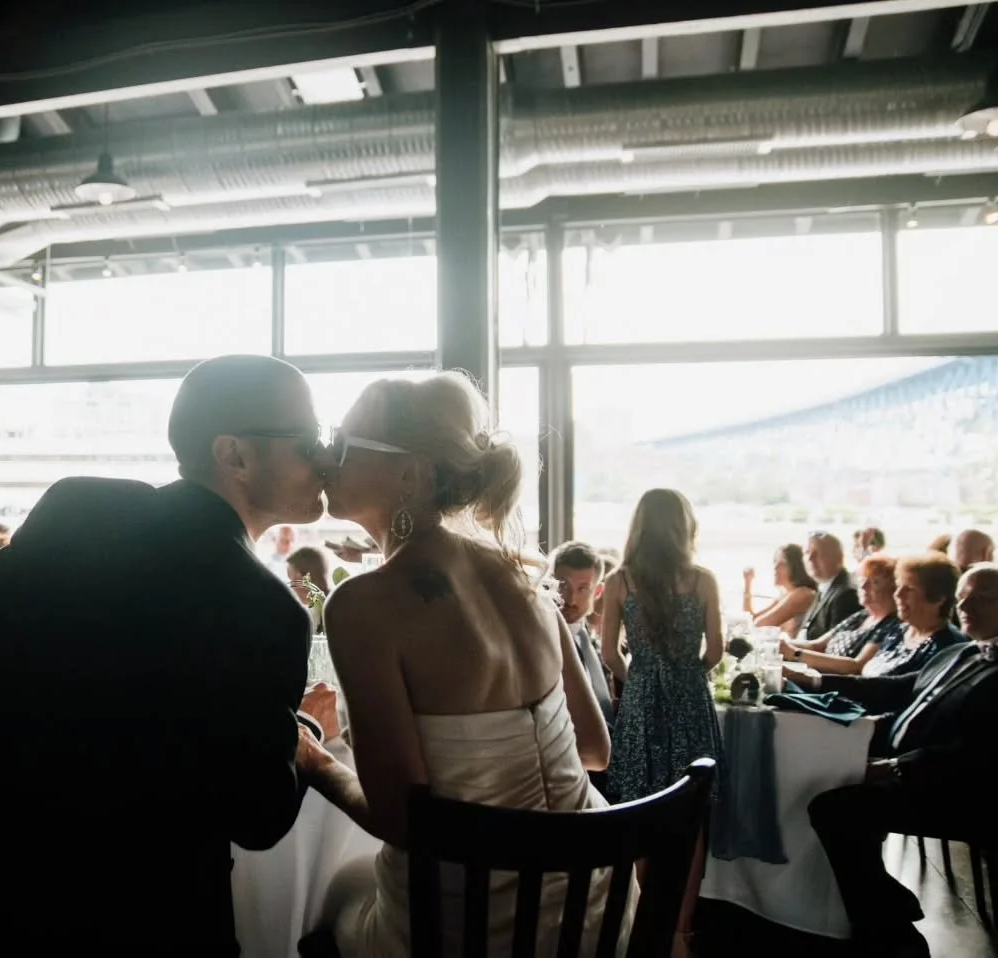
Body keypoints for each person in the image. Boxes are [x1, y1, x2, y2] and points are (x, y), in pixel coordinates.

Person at [0, 354, 329, 955]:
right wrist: (308, 731)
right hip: (157, 919)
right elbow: (258, 816)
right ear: (233, 454)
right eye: (308, 440)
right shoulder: (266, 609)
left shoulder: (78, 507)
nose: (324, 457)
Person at [298, 373, 624, 958]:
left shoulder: (365, 605)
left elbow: (400, 823)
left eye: (344, 446)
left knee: (332, 895)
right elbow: (595, 749)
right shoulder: (522, 577)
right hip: (596, 911)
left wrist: (315, 760)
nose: (325, 457)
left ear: (409, 472)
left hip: (473, 924)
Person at [798, 564, 998, 957]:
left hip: (963, 792)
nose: (964, 606)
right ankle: (838, 903)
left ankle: (889, 928)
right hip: (919, 769)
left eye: (978, 598)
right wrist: (816, 681)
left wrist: (892, 767)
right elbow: (896, 689)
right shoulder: (961, 651)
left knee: (835, 809)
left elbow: (982, 755)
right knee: (812, 773)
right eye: (962, 598)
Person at [601, 488, 723, 957]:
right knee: (691, 817)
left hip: (641, 700)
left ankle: (638, 922)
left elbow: (610, 651)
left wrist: (642, 678)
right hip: (690, 699)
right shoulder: (702, 580)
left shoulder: (620, 581)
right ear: (683, 526)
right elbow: (714, 651)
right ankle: (682, 930)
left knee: (639, 808)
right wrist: (686, 676)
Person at [782, 553, 903, 675]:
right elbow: (816, 645)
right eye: (862, 580)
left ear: (893, 588)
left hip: (835, 685)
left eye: (874, 582)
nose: (863, 586)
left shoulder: (892, 624)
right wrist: (776, 644)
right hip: (817, 675)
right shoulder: (861, 616)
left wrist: (793, 653)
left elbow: (857, 666)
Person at [549, 541, 617, 736]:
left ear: (597, 592)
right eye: (563, 586)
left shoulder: (586, 638)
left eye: (582, 589)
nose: (569, 599)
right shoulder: (543, 640)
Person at [742, 543, 817, 637]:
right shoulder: (785, 595)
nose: (775, 567)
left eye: (782, 564)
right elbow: (750, 619)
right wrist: (748, 583)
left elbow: (759, 625)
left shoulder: (802, 594)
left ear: (796, 567)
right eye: (775, 562)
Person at [798, 532, 862, 641]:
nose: (810, 558)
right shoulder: (824, 586)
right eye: (807, 552)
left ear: (839, 558)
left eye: (818, 553)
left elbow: (833, 648)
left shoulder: (846, 594)